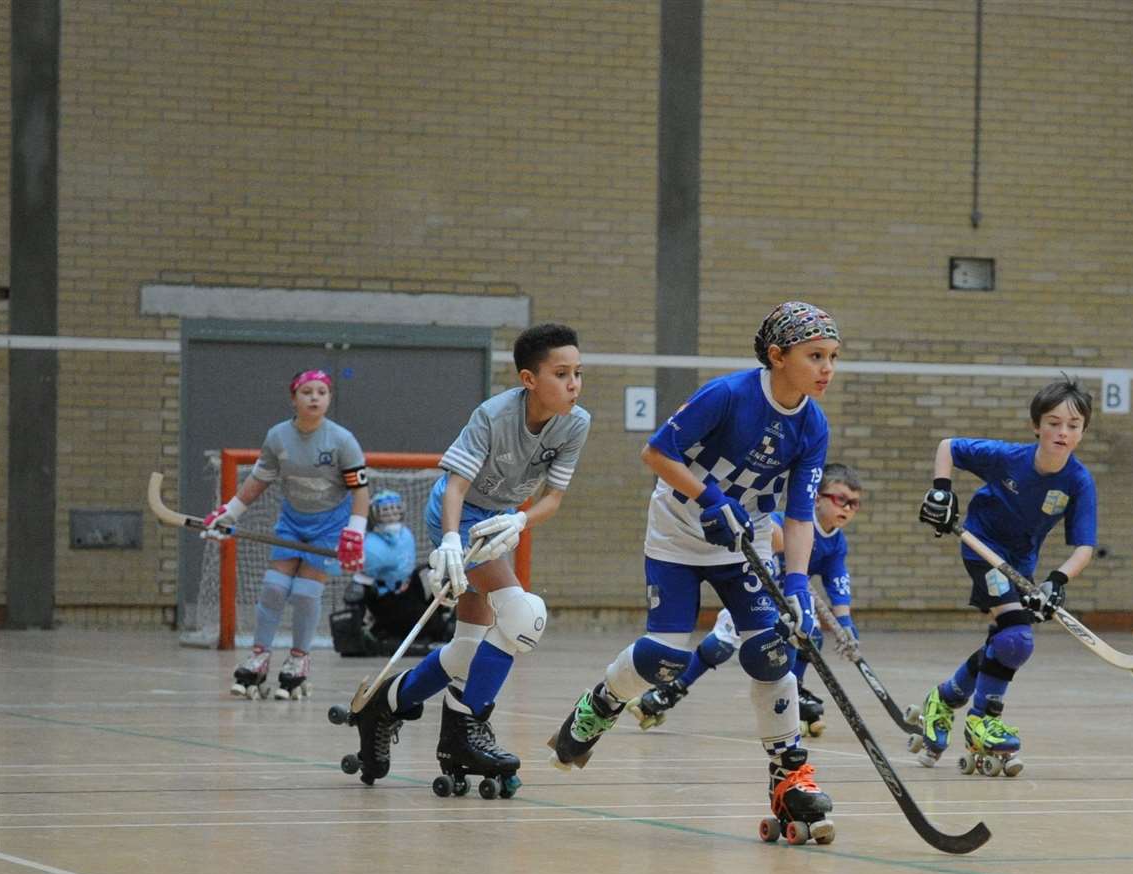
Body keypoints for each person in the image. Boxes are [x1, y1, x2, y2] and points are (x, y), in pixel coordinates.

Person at [547, 301, 840, 845]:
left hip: (745, 541)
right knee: (663, 658)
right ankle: (603, 703)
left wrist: (797, 584)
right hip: (679, 535)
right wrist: (708, 496)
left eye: (833, 357)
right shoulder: (728, 396)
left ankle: (789, 776)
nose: (826, 368)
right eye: (814, 355)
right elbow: (656, 452)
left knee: (771, 651)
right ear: (777, 356)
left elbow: (799, 514)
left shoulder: (813, 426)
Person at [333, 324, 589, 796]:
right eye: (561, 373)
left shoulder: (576, 423)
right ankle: (467, 728)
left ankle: (385, 704)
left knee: (468, 649)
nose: (573, 383)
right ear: (529, 379)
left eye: (578, 373)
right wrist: (450, 541)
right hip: (457, 515)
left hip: (500, 521)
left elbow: (553, 497)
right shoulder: (492, 415)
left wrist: (520, 522)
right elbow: (454, 486)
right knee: (523, 614)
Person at [909, 376, 1099, 777]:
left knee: (1004, 643)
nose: (1062, 432)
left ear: (1082, 432)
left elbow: (1084, 546)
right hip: (982, 549)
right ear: (1036, 426)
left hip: (1021, 563)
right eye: (1053, 423)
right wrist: (942, 492)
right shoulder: (1008, 457)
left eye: (1073, 425)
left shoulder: (1079, 482)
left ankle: (943, 699)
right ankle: (982, 720)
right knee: (1016, 638)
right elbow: (949, 447)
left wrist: (1057, 582)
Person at [627, 463, 865, 737]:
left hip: (788, 599)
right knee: (721, 645)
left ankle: (794, 690)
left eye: (854, 504)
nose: (847, 508)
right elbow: (767, 534)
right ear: (816, 498)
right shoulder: (789, 521)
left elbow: (837, 579)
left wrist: (844, 621)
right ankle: (669, 691)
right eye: (841, 500)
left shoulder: (837, 542)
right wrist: (791, 543)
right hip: (753, 592)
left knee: (809, 634)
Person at [202, 369, 369, 700]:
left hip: (328, 526)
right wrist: (229, 511)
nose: (314, 397)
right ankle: (260, 656)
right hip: (292, 522)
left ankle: (298, 660)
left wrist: (355, 533)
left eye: (321, 392)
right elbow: (258, 480)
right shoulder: (278, 437)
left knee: (306, 594)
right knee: (274, 589)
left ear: (329, 398)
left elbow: (361, 491)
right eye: (307, 391)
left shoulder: (342, 441)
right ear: (293, 398)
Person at [329, 489, 455, 658]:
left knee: (443, 576)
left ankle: (438, 621)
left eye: (395, 509)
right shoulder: (371, 547)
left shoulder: (406, 535)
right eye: (385, 510)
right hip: (388, 600)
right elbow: (357, 589)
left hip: (409, 590)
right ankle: (379, 632)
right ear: (375, 514)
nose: (391, 513)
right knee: (433, 627)